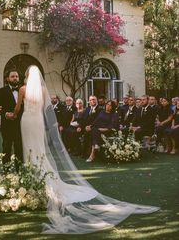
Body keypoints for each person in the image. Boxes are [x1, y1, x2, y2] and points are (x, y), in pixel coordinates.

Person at [11, 65, 159, 234]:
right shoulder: (43, 90)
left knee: (29, 147)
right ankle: (41, 173)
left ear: (27, 76)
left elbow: (17, 109)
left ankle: (32, 174)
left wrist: (12, 115)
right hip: (37, 120)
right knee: (39, 148)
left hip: (27, 120)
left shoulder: (23, 89)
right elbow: (48, 110)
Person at [0, 70, 23, 164]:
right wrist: (6, 114)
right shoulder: (1, 91)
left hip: (20, 125)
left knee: (19, 149)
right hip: (7, 126)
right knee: (6, 149)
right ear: (7, 78)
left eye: (17, 76)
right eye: (12, 76)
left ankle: (19, 170)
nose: (15, 78)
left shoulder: (23, 90)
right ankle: (6, 171)